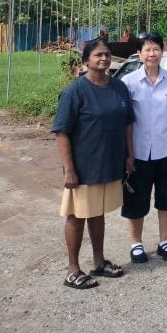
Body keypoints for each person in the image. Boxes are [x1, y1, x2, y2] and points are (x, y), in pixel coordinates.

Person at [53, 38, 134, 289]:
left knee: (97, 213)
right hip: (83, 166)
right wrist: (69, 169)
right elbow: (62, 132)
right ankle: (72, 270)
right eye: (98, 54)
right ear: (86, 59)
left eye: (107, 54)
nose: (104, 58)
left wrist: (129, 155)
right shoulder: (74, 92)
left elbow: (127, 123)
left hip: (109, 163)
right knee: (77, 215)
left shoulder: (119, 88)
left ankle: (99, 262)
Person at [120, 31, 167, 263]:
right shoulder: (128, 83)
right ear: (139, 53)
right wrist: (128, 153)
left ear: (163, 51)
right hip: (138, 151)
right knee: (136, 199)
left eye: (156, 49)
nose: (152, 53)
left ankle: (164, 241)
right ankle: (136, 244)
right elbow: (127, 121)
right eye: (147, 49)